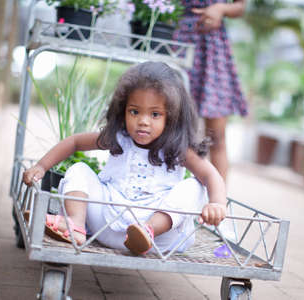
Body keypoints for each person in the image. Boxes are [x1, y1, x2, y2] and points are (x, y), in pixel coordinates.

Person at [23, 61, 227, 255]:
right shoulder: (119, 138)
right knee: (79, 169)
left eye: (155, 114)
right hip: (106, 224)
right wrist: (41, 166)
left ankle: (147, 230)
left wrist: (217, 203)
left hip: (158, 238)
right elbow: (75, 142)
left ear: (172, 117)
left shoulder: (178, 149)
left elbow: (210, 175)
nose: (143, 121)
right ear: (123, 111)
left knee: (194, 187)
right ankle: (75, 224)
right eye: (135, 111)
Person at [174, 0, 248, 182]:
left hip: (212, 45)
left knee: (216, 135)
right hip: (176, 40)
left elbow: (240, 7)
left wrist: (221, 8)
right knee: (172, 127)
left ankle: (218, 202)